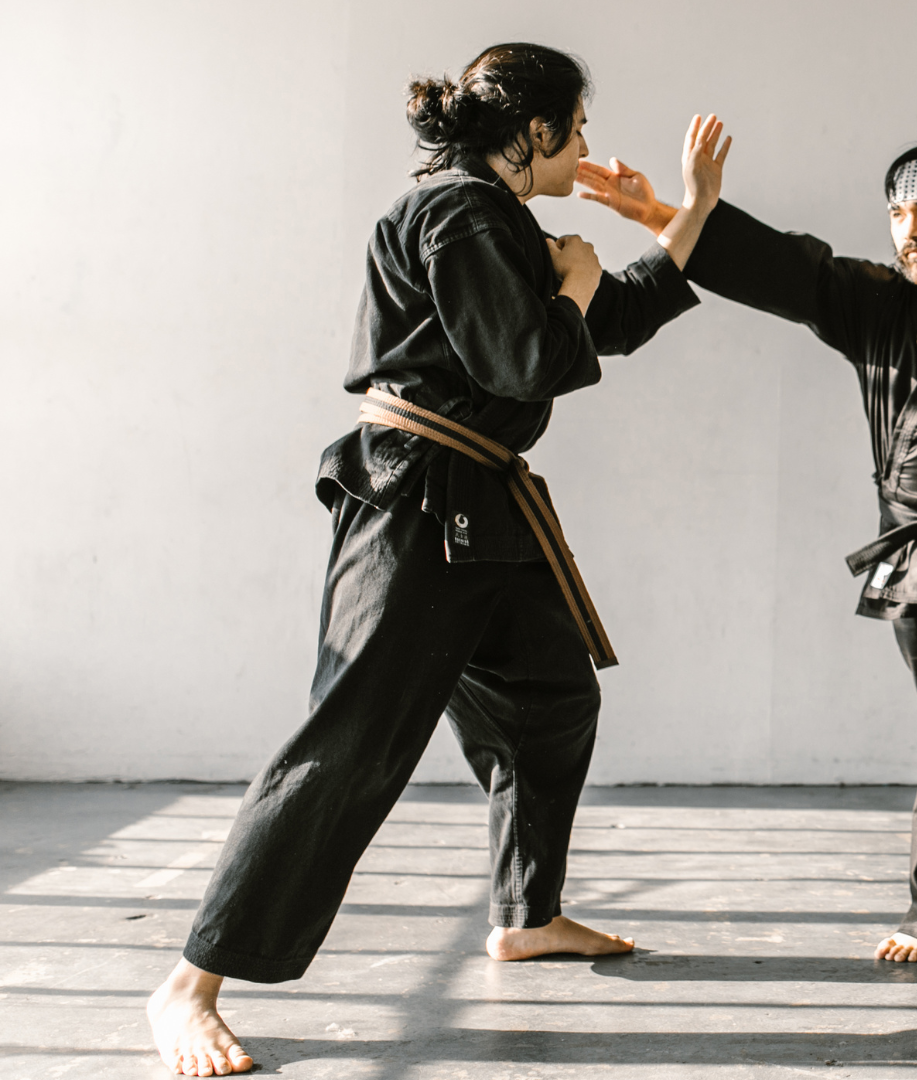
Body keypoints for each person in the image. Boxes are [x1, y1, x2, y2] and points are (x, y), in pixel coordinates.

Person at [145, 43, 731, 1076]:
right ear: (534, 131)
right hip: (416, 500)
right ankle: (188, 984)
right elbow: (531, 357)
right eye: (577, 127)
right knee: (351, 738)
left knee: (550, 699)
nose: (586, 146)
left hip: (483, 508)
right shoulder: (458, 213)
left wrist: (692, 209)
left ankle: (525, 915)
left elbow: (615, 320)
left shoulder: (497, 220)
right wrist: (577, 283)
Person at [578, 141, 917, 962]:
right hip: (907, 541)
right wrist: (659, 214)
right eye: (896, 212)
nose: (907, 228)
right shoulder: (876, 300)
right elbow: (785, 271)